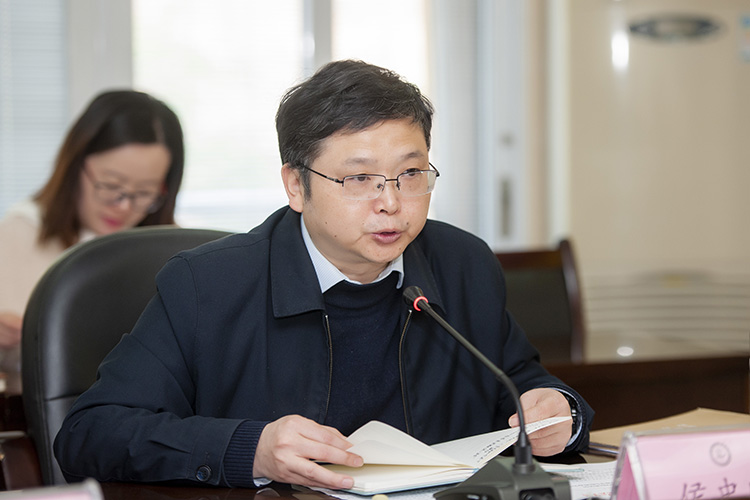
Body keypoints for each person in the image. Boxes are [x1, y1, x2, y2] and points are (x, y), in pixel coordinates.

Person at [54, 60, 594, 490]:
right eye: (359, 179)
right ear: (296, 185)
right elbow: (90, 433)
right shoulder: (207, 285)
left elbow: (522, 383)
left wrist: (559, 411)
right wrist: (252, 449)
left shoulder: (463, 264)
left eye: (411, 173)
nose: (391, 202)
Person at [0, 90, 184, 377]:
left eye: (144, 192)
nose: (123, 206)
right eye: (111, 185)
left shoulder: (174, 249)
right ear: (75, 165)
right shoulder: (20, 233)